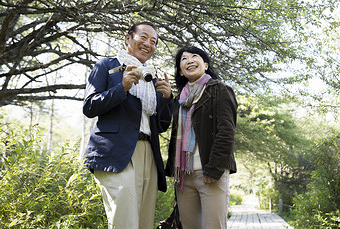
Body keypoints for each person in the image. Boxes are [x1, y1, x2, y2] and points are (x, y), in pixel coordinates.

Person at [83, 21, 173, 229]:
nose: (148, 44)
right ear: (128, 38)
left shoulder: (152, 78)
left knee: (143, 221)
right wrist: (122, 87)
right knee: (125, 220)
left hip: (148, 153)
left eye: (154, 41)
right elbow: (89, 106)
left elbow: (161, 126)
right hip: (115, 151)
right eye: (144, 37)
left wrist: (167, 99)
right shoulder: (107, 65)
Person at [165, 46, 238, 229]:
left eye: (194, 56)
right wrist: (166, 99)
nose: (189, 60)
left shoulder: (219, 90)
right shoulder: (179, 100)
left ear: (205, 65)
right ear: (180, 71)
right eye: (184, 59)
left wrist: (214, 169)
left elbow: (226, 132)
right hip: (183, 176)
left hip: (210, 172)